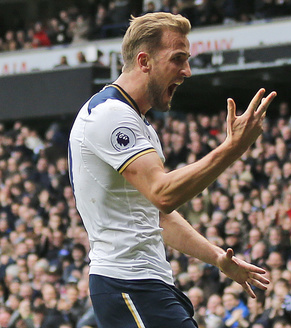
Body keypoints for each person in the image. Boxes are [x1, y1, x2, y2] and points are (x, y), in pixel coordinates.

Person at [68, 12, 276, 328]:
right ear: (144, 61)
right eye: (178, 59)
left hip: (144, 285)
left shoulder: (138, 124)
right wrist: (231, 148)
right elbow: (164, 195)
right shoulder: (111, 116)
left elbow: (160, 216)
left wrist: (218, 258)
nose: (187, 71)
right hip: (127, 284)